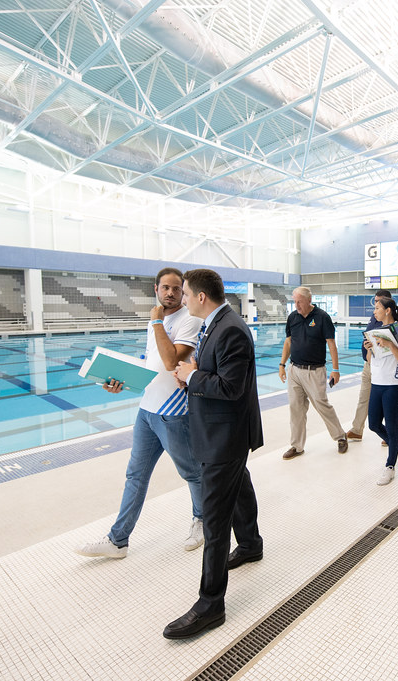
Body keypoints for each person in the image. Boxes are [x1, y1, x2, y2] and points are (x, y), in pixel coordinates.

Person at [75, 267, 205, 559]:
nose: (170, 293)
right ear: (155, 289)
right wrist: (121, 382)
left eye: (176, 288)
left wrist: (157, 322)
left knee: (193, 473)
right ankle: (118, 541)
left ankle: (202, 520)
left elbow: (171, 361)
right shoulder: (155, 321)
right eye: (165, 288)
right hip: (147, 410)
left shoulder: (189, 320)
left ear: (183, 291)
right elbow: (152, 365)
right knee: (135, 475)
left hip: (173, 412)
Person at [163, 268, 264, 640]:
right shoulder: (216, 324)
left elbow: (232, 387)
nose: (184, 299)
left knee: (215, 521)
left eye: (187, 294)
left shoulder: (230, 329)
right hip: (222, 433)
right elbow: (216, 374)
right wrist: (190, 376)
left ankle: (211, 604)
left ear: (201, 297)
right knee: (240, 487)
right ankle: (250, 544)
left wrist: (193, 377)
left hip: (224, 437)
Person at [278, 286, 348, 459]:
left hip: (314, 371)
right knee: (296, 409)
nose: (297, 305)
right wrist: (282, 364)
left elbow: (331, 343)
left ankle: (340, 436)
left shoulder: (322, 317)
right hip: (294, 370)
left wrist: (336, 369)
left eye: (300, 302)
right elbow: (288, 342)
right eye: (295, 302)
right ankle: (297, 446)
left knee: (322, 405)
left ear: (309, 300)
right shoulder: (292, 317)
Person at [365, 297, 398, 485]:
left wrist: (390, 344)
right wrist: (369, 349)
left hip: (393, 386)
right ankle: (394, 443)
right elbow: (370, 361)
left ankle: (390, 466)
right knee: (373, 424)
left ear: (387, 310)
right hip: (376, 384)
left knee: (392, 427)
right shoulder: (375, 331)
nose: (374, 312)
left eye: (377, 308)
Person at [346, 289, 392, 443]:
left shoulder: (393, 323)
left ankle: (390, 434)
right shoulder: (374, 317)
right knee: (363, 398)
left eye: (379, 302)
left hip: (383, 368)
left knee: (386, 403)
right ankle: (357, 430)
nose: (375, 305)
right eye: (375, 301)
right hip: (369, 364)